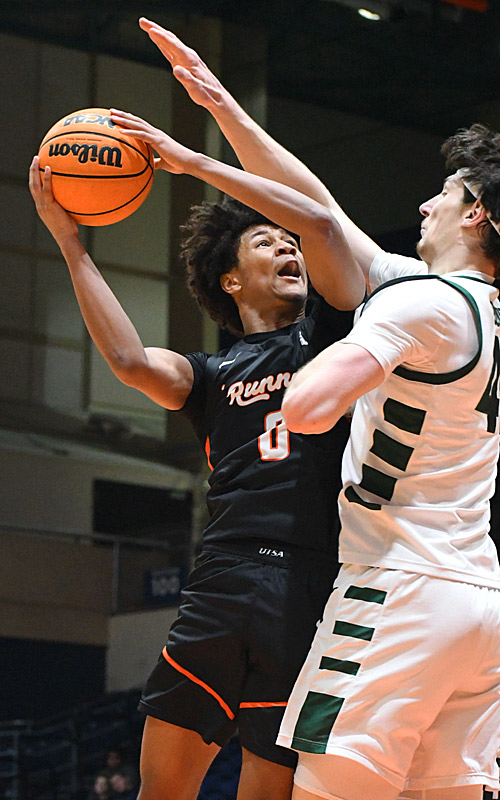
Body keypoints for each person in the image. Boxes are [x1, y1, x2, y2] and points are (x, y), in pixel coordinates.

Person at [29, 107, 364, 800]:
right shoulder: (209, 377)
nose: (289, 250)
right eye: (268, 244)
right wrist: (72, 244)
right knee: (163, 791)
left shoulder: (335, 337)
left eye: (287, 243)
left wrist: (196, 160)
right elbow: (125, 359)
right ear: (231, 281)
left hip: (312, 586)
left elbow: (326, 228)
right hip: (222, 580)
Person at [272, 128, 500, 800]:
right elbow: (320, 214)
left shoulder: (420, 301)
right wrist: (215, 112)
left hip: (396, 585)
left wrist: (362, 349)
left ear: (476, 212)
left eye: (445, 195)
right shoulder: (471, 306)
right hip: (479, 600)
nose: (425, 206)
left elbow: (307, 408)